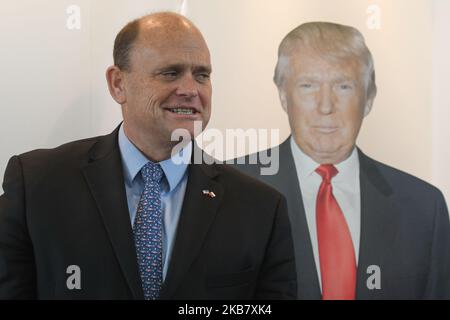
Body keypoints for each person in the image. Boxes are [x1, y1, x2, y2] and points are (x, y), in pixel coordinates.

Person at [0, 12, 296, 299]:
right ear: (118, 84)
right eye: (171, 73)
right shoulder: (37, 185)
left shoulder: (260, 209)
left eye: (202, 75)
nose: (191, 90)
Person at [233, 22, 450, 300]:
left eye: (344, 86)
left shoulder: (424, 208)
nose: (325, 106)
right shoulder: (228, 192)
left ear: (369, 98)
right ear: (283, 96)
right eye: (308, 85)